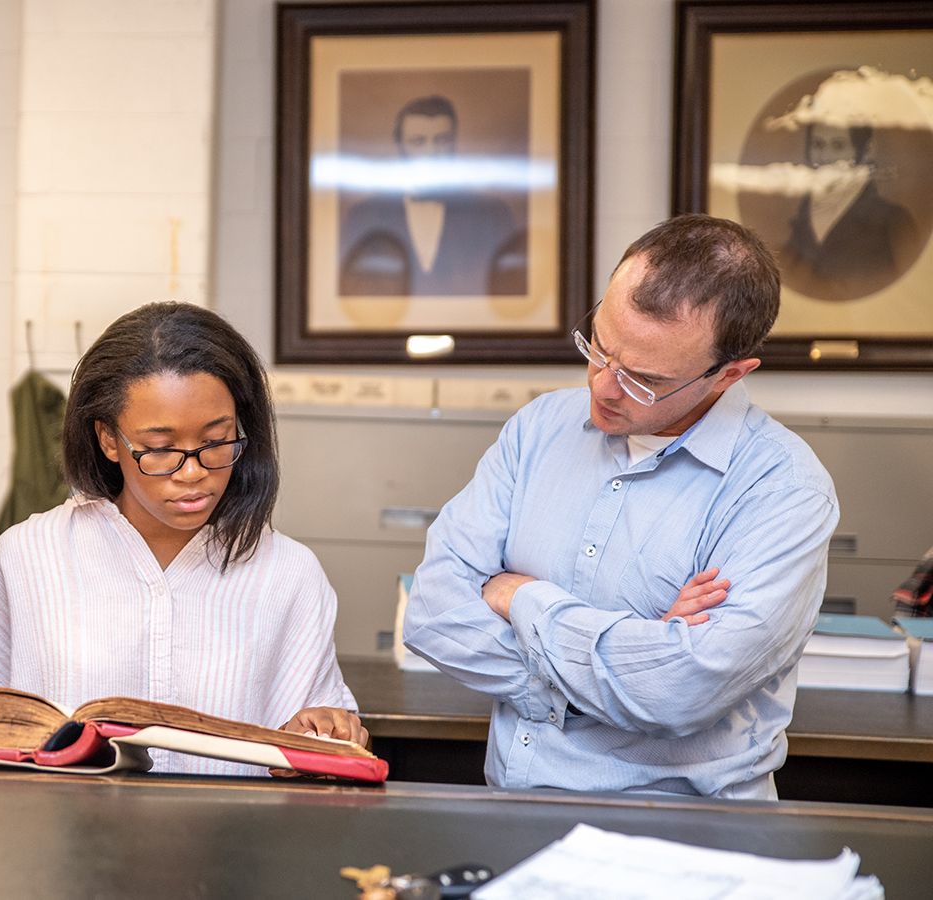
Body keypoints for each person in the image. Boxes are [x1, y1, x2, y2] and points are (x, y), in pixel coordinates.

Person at [403, 214, 838, 800]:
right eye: (599, 347)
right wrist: (626, 657)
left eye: (643, 379)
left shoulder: (783, 491)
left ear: (728, 375)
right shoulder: (539, 429)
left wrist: (520, 596)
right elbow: (433, 613)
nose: (602, 387)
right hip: (513, 813)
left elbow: (679, 692)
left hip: (684, 839)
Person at [0, 301, 364, 776]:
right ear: (108, 439)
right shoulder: (29, 556)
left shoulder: (289, 573)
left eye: (217, 440)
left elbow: (322, 742)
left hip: (234, 844)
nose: (194, 473)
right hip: (64, 839)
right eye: (160, 449)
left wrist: (324, 736)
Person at [339, 94, 526, 297]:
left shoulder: (492, 213)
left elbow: (513, 294)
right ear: (399, 144)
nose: (431, 153)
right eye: (418, 142)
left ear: (454, 143)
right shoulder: (363, 216)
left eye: (441, 141)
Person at [778, 121, 921, 302]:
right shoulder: (798, 225)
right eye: (818, 145)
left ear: (867, 151)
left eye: (838, 146)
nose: (824, 157)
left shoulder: (893, 222)